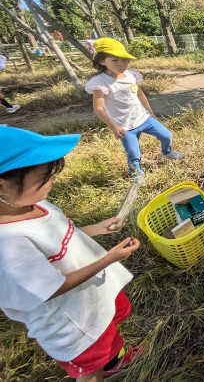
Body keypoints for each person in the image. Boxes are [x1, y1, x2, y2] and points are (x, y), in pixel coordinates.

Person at [0, 126, 142, 381]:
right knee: (90, 370)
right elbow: (51, 289)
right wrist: (109, 258)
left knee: (106, 334)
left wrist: (96, 229)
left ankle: (116, 359)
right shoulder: (8, 244)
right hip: (72, 322)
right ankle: (105, 365)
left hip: (88, 299)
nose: (52, 179)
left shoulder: (33, 203)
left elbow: (59, 238)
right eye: (43, 176)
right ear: (2, 186)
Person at [85, 37, 184, 183]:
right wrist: (113, 126)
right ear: (102, 61)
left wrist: (151, 113)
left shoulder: (131, 75)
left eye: (124, 60)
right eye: (115, 60)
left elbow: (140, 94)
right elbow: (98, 108)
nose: (121, 64)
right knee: (133, 152)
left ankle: (167, 152)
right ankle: (137, 173)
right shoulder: (101, 83)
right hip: (124, 126)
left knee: (166, 135)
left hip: (143, 118)